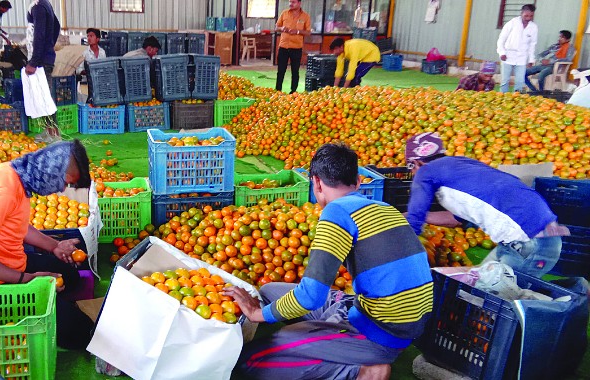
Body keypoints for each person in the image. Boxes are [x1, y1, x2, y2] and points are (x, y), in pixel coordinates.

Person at [224, 143, 434, 380]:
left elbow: (310, 296)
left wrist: (256, 314)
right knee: (270, 290)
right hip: (388, 316)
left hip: (380, 333)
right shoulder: (386, 208)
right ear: (357, 181)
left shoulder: (336, 213)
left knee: (251, 361)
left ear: (317, 183)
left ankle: (363, 369)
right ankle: (341, 334)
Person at [0, 140, 95, 348]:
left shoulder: (16, 176)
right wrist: (27, 280)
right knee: (82, 332)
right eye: (65, 182)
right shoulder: (4, 192)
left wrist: (54, 246)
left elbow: (18, 224)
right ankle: (32, 311)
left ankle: (48, 303)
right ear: (51, 171)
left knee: (71, 275)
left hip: (13, 261)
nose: (63, 189)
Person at [404, 132, 570, 278]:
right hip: (539, 237)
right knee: (478, 281)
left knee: (496, 298)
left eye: (410, 169)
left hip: (528, 242)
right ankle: (577, 290)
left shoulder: (425, 171)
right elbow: (456, 219)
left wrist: (400, 259)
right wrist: (411, 216)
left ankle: (578, 293)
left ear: (416, 163)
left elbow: (414, 221)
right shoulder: (460, 164)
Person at [496, 4, 538, 93]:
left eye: (531, 16)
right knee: (505, 81)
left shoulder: (533, 27)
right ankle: (502, 97)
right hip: (507, 55)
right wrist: (502, 52)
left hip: (522, 58)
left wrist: (531, 59)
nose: (528, 18)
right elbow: (501, 39)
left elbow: (532, 44)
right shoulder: (512, 23)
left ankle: (517, 98)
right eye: (526, 15)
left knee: (520, 81)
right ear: (521, 13)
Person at [274, 0, 311, 93]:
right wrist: (281, 28)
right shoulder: (284, 13)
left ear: (299, 3)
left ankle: (293, 91)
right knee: (281, 70)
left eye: (293, 2)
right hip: (283, 47)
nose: (290, 4)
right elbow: (276, 27)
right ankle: (278, 90)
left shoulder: (305, 16)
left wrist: (298, 31)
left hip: (296, 48)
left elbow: (308, 32)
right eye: (290, 2)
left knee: (295, 71)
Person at [25, 0, 59, 76]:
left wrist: (34, 62)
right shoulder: (45, 4)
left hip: (39, 62)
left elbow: (39, 34)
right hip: (46, 58)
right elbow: (57, 26)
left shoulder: (37, 6)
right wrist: (49, 45)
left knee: (40, 88)